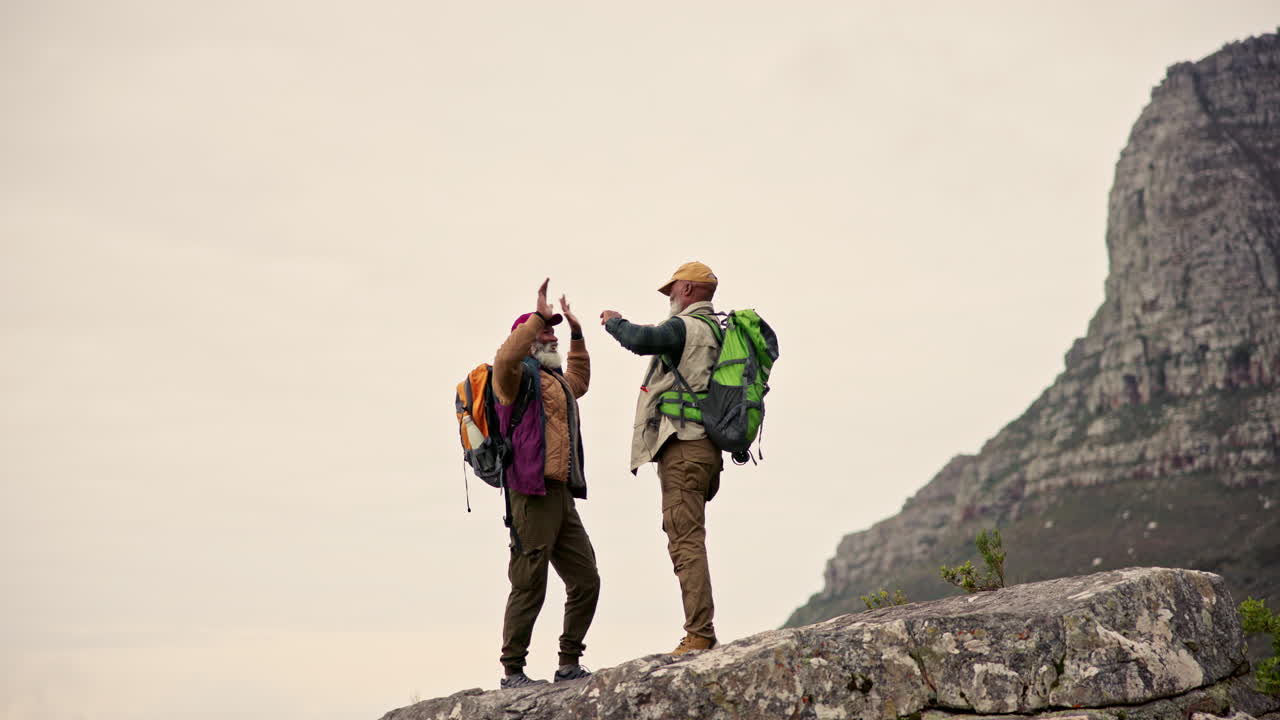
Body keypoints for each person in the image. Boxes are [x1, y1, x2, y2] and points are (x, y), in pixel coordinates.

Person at [599, 261, 725, 655]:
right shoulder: (719, 332)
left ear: (688, 289)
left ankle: (699, 634)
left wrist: (614, 322)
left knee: (685, 540)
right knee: (690, 536)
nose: (669, 296)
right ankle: (699, 629)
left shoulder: (686, 327)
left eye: (673, 289)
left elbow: (642, 339)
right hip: (707, 450)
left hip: (684, 447)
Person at [492, 278, 599, 688]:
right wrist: (536, 315)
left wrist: (576, 332)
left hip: (560, 493)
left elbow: (582, 381)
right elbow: (504, 358)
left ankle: (568, 662)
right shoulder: (514, 378)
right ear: (528, 338)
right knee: (529, 582)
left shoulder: (554, 381)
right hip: (529, 492)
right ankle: (513, 671)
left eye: (552, 329)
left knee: (586, 579)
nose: (550, 334)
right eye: (545, 330)